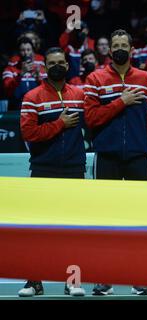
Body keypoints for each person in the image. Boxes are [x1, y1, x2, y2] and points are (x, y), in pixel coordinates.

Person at [84, 29, 147, 296]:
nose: (121, 48)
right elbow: (91, 119)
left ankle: (141, 277)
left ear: (132, 49)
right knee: (106, 220)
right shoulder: (95, 78)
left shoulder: (145, 78)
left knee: (141, 220)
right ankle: (104, 278)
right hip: (107, 156)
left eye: (125, 44)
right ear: (109, 50)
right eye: (116, 45)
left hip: (137, 155)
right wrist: (121, 101)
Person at [18, 47, 86, 297]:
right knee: (39, 229)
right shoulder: (32, 97)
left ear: (68, 66)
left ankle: (73, 281)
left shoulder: (80, 95)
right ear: (44, 67)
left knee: (73, 229)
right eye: (51, 63)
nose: (56, 66)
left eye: (61, 62)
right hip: (43, 169)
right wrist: (60, 124)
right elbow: (29, 134)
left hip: (74, 168)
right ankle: (33, 281)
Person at [3, 37, 46, 109]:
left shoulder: (41, 66)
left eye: (28, 50)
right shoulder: (11, 67)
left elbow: (49, 89)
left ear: (33, 51)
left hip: (37, 106)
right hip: (17, 107)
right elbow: (7, 89)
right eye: (22, 50)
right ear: (18, 52)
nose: (26, 53)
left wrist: (38, 78)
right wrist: (20, 75)